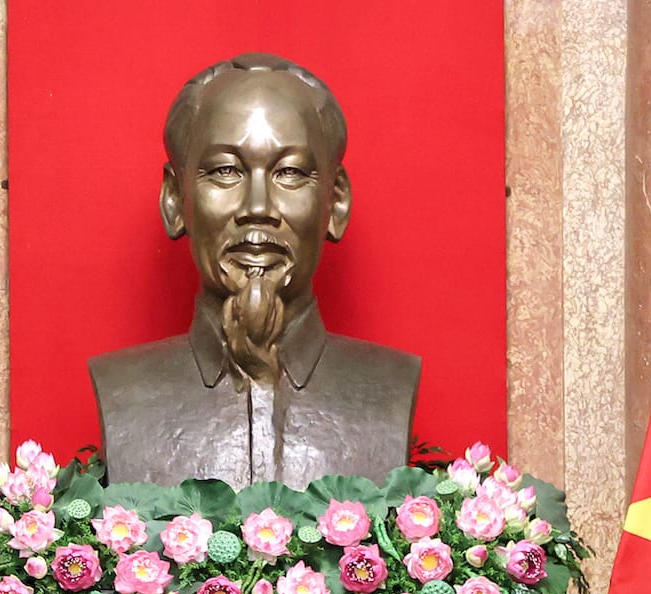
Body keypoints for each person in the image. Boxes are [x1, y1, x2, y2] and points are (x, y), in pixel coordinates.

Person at [89, 52, 419, 490]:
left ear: (335, 202)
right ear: (174, 199)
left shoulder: (390, 386)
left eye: (290, 173)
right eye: (226, 171)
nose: (258, 208)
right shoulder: (123, 389)